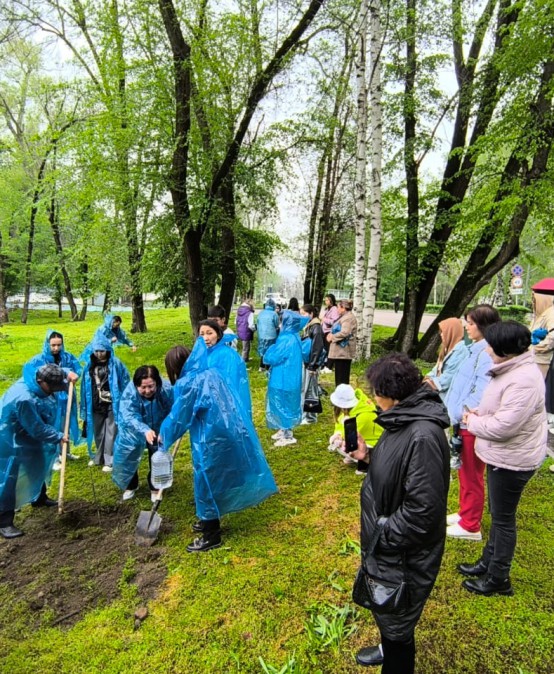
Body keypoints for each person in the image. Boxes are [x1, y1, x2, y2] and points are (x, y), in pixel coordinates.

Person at [349, 353, 450, 672]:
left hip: (403, 553)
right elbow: (399, 469)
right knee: (389, 612)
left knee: (398, 622)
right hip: (389, 546)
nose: (374, 399)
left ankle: (396, 657)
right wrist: (368, 457)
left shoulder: (423, 436)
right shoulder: (403, 417)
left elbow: (423, 512)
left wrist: (384, 534)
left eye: (375, 392)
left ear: (391, 395)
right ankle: (388, 644)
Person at [159, 340, 278, 552]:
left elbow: (179, 418)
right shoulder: (211, 372)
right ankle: (208, 520)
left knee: (206, 481)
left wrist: (163, 436)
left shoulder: (188, 384)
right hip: (230, 431)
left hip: (210, 439)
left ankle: (211, 535)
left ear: (174, 368)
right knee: (217, 479)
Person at [459, 321, 547, 596]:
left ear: (505, 350)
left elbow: (504, 426)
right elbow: (500, 408)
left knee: (503, 520)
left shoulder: (524, 380)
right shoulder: (512, 370)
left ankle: (498, 578)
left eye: (490, 346)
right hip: (504, 455)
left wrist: (473, 423)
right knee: (498, 516)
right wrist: (480, 412)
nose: (486, 350)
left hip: (513, 460)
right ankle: (488, 562)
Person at [444, 304, 501, 540]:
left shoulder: (487, 353)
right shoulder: (475, 349)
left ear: (483, 325)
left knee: (472, 473)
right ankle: (464, 512)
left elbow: (481, 391)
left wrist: (463, 412)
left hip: (471, 421)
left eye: (470, 323)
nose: (467, 327)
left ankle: (471, 525)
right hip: (463, 419)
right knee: (464, 471)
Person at [0, 364, 69, 538]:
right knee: (9, 478)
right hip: (9, 439)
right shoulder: (25, 398)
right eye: (52, 387)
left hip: (25, 436)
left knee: (37, 464)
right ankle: (4, 522)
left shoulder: (34, 379)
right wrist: (59, 436)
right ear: (41, 381)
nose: (54, 391)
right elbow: (36, 428)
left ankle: (38, 497)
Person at [112, 365, 174, 502]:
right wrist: (144, 430)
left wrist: (165, 429)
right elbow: (129, 416)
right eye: (143, 387)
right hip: (133, 429)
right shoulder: (130, 394)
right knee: (129, 454)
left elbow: (172, 411)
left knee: (159, 455)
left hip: (158, 427)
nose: (147, 391)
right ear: (136, 385)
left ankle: (156, 487)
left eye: (151, 386)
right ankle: (131, 485)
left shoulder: (166, 390)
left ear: (157, 383)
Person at [23, 329, 83, 467]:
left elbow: (77, 369)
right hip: (50, 398)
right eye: (53, 345)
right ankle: (54, 457)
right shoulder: (39, 360)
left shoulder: (67, 357)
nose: (56, 348)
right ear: (47, 344)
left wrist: (75, 375)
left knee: (65, 424)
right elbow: (36, 374)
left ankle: (65, 452)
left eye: (59, 345)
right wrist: (66, 372)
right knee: (52, 425)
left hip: (66, 396)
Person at [80, 335, 130, 472]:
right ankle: (99, 457)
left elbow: (125, 382)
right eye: (96, 351)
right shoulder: (89, 367)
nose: (99, 354)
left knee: (111, 430)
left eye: (102, 351)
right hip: (95, 403)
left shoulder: (116, 364)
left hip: (112, 403)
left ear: (107, 350)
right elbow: (85, 387)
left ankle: (110, 459)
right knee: (98, 431)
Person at [264, 310, 309, 447]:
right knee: (285, 404)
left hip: (283, 378)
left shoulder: (286, 339)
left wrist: (270, 349)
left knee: (283, 404)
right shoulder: (294, 336)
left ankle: (287, 434)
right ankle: (283, 429)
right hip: (289, 378)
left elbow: (272, 357)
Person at [198, 319, 252, 417]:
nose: (205, 338)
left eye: (209, 333)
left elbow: (232, 383)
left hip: (225, 405)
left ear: (218, 335)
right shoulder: (204, 353)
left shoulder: (227, 355)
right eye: (202, 334)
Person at [328, 383, 382, 476]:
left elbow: (351, 436)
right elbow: (339, 424)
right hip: (365, 439)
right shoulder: (353, 409)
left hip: (375, 444)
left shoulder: (364, 415)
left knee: (344, 446)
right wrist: (337, 434)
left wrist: (339, 438)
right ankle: (356, 459)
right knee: (341, 444)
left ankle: (367, 464)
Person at [423, 318, 468, 401]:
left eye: (444, 332)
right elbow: (435, 370)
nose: (441, 335)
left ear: (452, 332)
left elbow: (447, 379)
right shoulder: (446, 348)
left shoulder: (461, 350)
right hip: (436, 393)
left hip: (445, 398)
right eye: (441, 332)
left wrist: (429, 383)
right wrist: (427, 378)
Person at [300, 304, 325, 424]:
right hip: (307, 362)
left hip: (311, 364)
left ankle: (311, 418)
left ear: (311, 314)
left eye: (304, 313)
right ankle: (306, 414)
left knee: (311, 390)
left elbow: (317, 348)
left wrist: (313, 365)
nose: (302, 316)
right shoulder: (309, 326)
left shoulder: (316, 327)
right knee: (306, 389)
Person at [326, 299, 357, 386]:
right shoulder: (346, 316)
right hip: (341, 352)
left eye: (338, 308)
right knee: (340, 376)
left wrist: (332, 337)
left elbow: (345, 332)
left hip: (343, 352)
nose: (337, 310)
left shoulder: (348, 318)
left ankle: (342, 396)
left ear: (343, 308)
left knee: (341, 378)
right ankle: (341, 395)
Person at [529, 288, 554, 378]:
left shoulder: (552, 313)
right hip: (536, 358)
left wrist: (535, 348)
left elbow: (552, 337)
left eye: (534, 299)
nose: (533, 302)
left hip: (543, 360)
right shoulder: (542, 313)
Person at [256, 299, 280, 372]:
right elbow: (276, 324)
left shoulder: (261, 313)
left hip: (261, 335)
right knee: (270, 350)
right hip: (271, 335)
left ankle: (261, 366)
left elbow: (257, 323)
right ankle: (268, 367)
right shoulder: (274, 314)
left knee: (263, 350)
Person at [319, 294, 339, 374]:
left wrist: (324, 319)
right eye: (325, 300)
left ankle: (329, 366)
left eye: (327, 300)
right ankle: (325, 364)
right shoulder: (327, 309)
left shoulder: (334, 309)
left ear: (331, 301)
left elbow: (334, 321)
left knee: (329, 349)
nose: (325, 301)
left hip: (329, 331)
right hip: (324, 331)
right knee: (325, 349)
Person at [235, 298, 256, 362]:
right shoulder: (250, 313)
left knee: (246, 347)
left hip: (239, 330)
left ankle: (246, 358)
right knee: (246, 348)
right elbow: (251, 325)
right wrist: (255, 329)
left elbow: (235, 322)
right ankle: (243, 362)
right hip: (246, 331)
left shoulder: (239, 311)